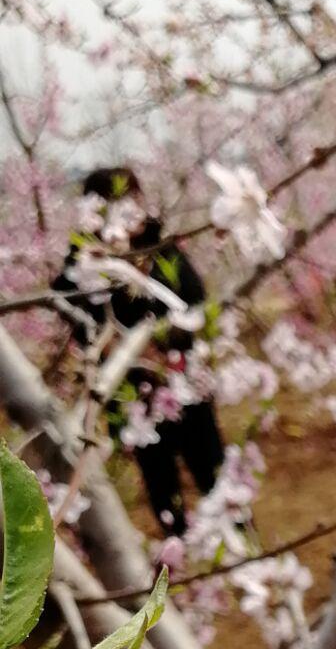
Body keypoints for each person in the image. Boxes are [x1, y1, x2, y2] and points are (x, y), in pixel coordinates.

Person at [53, 166, 226, 535]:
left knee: (213, 469)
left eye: (133, 201)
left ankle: (241, 538)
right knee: (160, 480)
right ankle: (178, 547)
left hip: (184, 383)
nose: (129, 212)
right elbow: (78, 317)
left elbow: (195, 301)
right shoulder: (85, 265)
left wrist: (166, 335)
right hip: (131, 398)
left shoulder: (161, 249)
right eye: (116, 204)